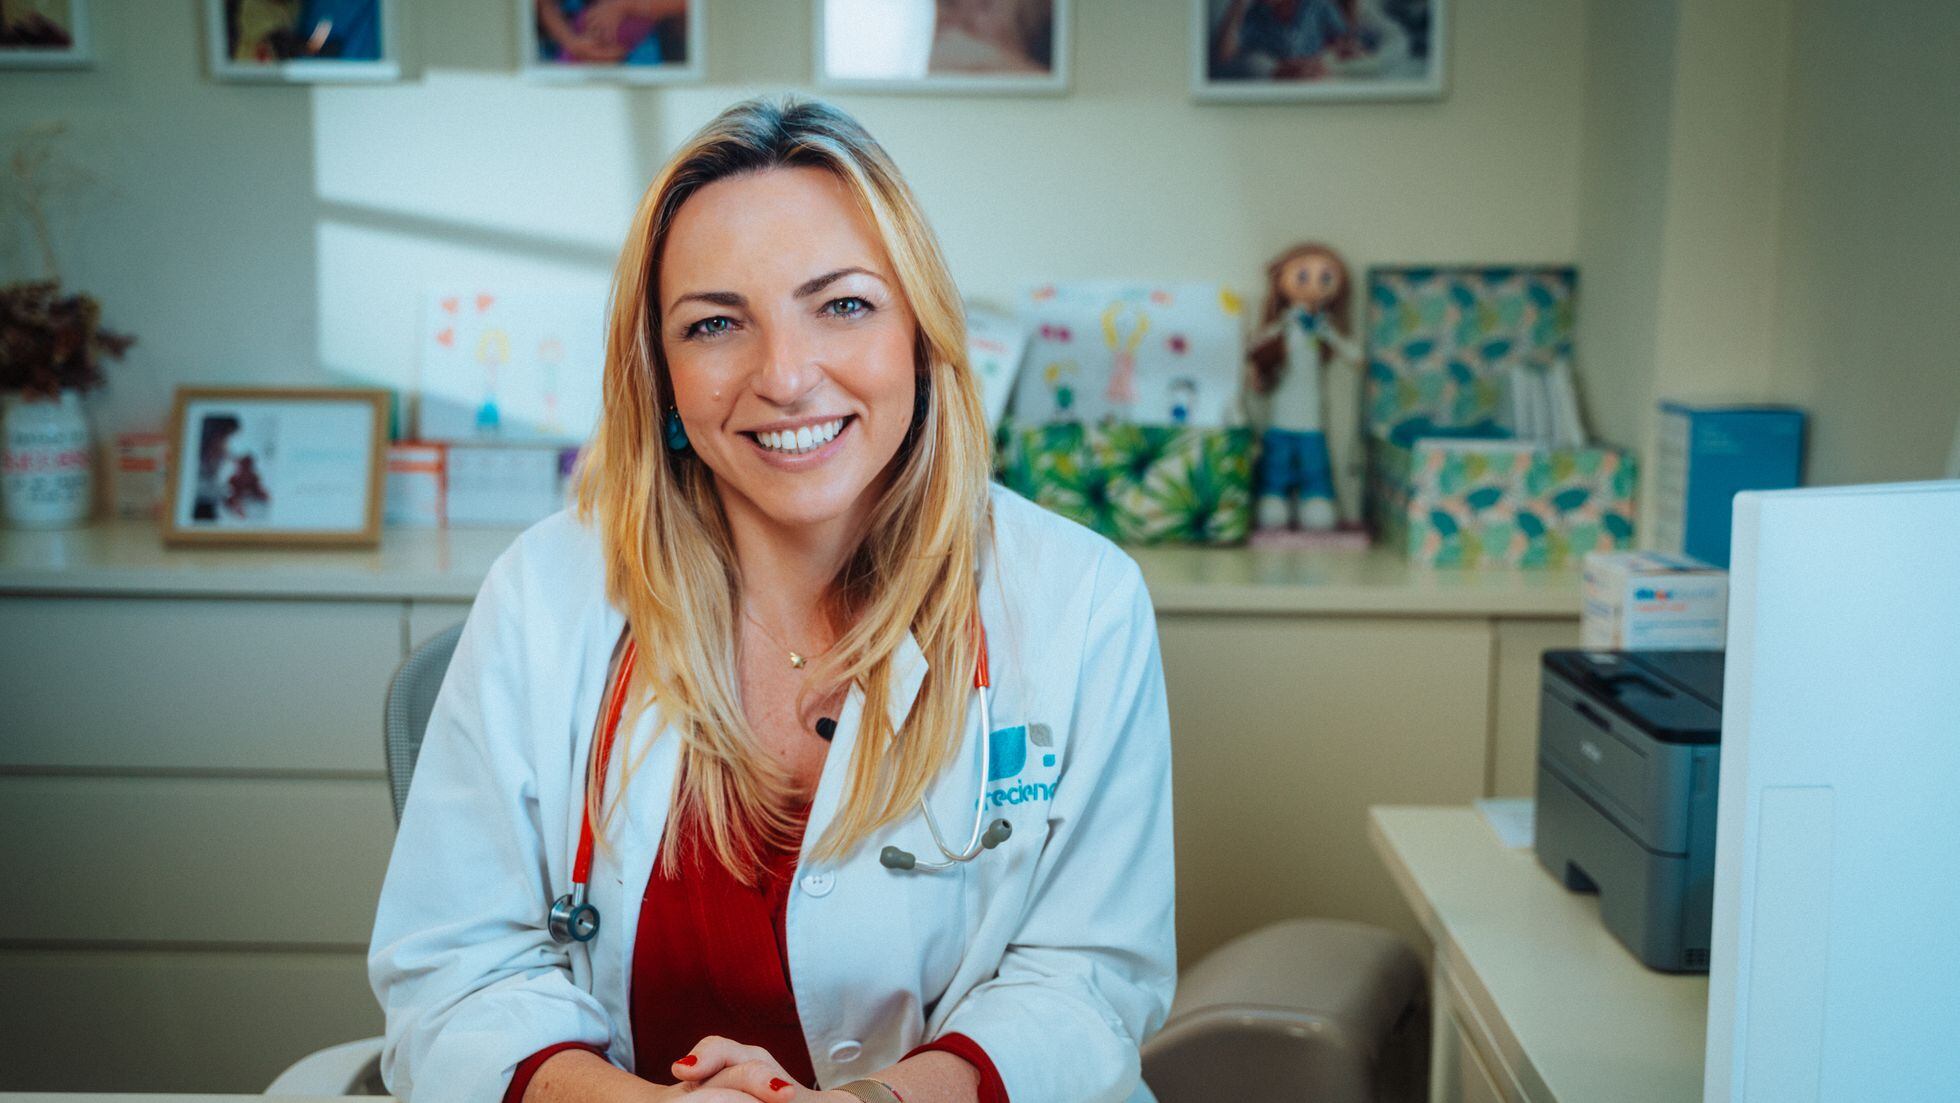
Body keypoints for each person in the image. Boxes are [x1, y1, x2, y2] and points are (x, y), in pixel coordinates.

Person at [368, 96, 1176, 1103]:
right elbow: (452, 980)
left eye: (841, 305)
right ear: (661, 377)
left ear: (919, 331)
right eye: (714, 324)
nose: (786, 375)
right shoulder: (547, 592)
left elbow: (1087, 983)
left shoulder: (1075, 600)